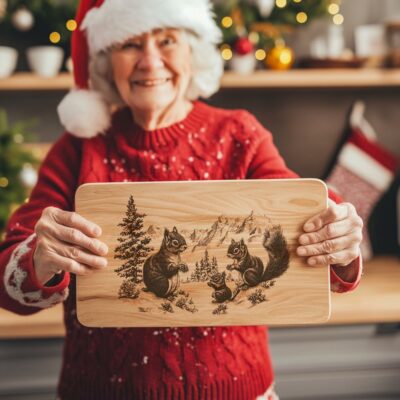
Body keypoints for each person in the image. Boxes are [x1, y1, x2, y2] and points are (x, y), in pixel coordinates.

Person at [0, 0, 363, 399]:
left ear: (193, 50)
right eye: (129, 44)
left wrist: (339, 236)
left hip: (238, 391)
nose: (150, 62)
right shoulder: (77, 150)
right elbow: (8, 284)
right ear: (106, 60)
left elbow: (300, 209)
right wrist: (38, 257)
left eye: (167, 40)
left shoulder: (239, 133)